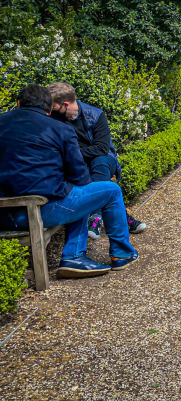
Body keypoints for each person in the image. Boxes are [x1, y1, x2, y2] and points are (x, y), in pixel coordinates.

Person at [0, 85, 139, 278]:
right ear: (49, 109)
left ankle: (76, 256)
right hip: (38, 212)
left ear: (18, 103)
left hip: (3, 215)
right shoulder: (60, 129)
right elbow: (80, 177)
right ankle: (119, 254)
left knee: (76, 192)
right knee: (105, 191)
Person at [48, 82, 146, 239]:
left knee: (99, 162)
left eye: (53, 106)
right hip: (78, 163)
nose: (50, 109)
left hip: (104, 159)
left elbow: (101, 148)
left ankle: (95, 215)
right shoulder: (55, 118)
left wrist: (73, 154)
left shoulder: (95, 115)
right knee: (91, 170)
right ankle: (123, 218)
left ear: (65, 104)